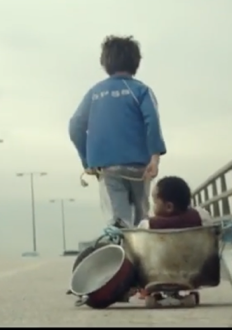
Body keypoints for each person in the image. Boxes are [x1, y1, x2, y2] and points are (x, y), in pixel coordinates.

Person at [68, 35, 166, 228]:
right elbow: (152, 121)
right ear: (136, 62)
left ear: (105, 63)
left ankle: (121, 243)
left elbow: (75, 126)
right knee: (142, 220)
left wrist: (87, 162)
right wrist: (155, 158)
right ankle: (142, 245)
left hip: (108, 167)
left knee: (118, 222)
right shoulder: (141, 90)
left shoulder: (94, 93)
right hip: (140, 167)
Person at [138, 176, 207, 230]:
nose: (153, 206)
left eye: (155, 202)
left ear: (169, 207)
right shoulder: (201, 217)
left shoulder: (148, 226)